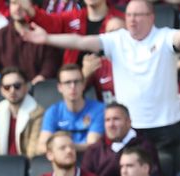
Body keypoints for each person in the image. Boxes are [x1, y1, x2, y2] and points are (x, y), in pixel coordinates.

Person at [24, 0, 180, 157]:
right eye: (129, 15)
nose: (132, 19)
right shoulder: (117, 39)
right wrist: (47, 39)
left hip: (166, 126)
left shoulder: (164, 37)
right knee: (129, 174)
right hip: (129, 127)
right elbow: (80, 41)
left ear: (151, 17)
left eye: (138, 15)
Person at [22, 0, 123, 67]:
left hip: (108, 84)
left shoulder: (121, 21)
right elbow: (50, 22)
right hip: (74, 83)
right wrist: (29, 9)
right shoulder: (73, 16)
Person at [82, 103, 161, 176]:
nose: (111, 125)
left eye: (116, 119)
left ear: (128, 122)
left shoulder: (145, 146)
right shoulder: (94, 150)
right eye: (107, 120)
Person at [0, 0, 60, 83]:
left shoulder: (45, 33)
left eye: (22, 3)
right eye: (14, 3)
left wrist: (42, 78)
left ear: (34, 6)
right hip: (8, 90)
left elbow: (50, 66)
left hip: (40, 90)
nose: (17, 8)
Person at [37, 65, 104, 153]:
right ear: (60, 87)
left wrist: (62, 147)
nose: (72, 86)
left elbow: (92, 145)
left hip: (89, 161)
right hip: (61, 162)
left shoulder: (99, 109)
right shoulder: (53, 112)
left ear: (83, 85)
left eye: (76, 82)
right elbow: (41, 146)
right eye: (67, 82)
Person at [0, 67, 44, 158]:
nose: (12, 90)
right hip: (1, 165)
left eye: (17, 86)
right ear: (1, 90)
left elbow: (33, 151)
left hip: (25, 166)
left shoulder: (38, 112)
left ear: (26, 87)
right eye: (7, 87)